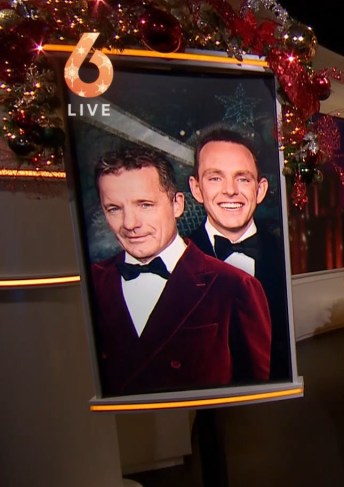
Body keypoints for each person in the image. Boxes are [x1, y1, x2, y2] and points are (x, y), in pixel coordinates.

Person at [89, 144, 272, 396]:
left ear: (177, 204)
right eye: (114, 209)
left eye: (145, 205)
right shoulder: (93, 282)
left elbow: (256, 393)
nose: (130, 224)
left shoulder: (235, 286)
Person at [187, 127, 292, 381]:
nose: (230, 190)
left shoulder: (287, 255)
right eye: (215, 178)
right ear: (197, 188)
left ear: (260, 189)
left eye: (242, 179)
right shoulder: (176, 259)